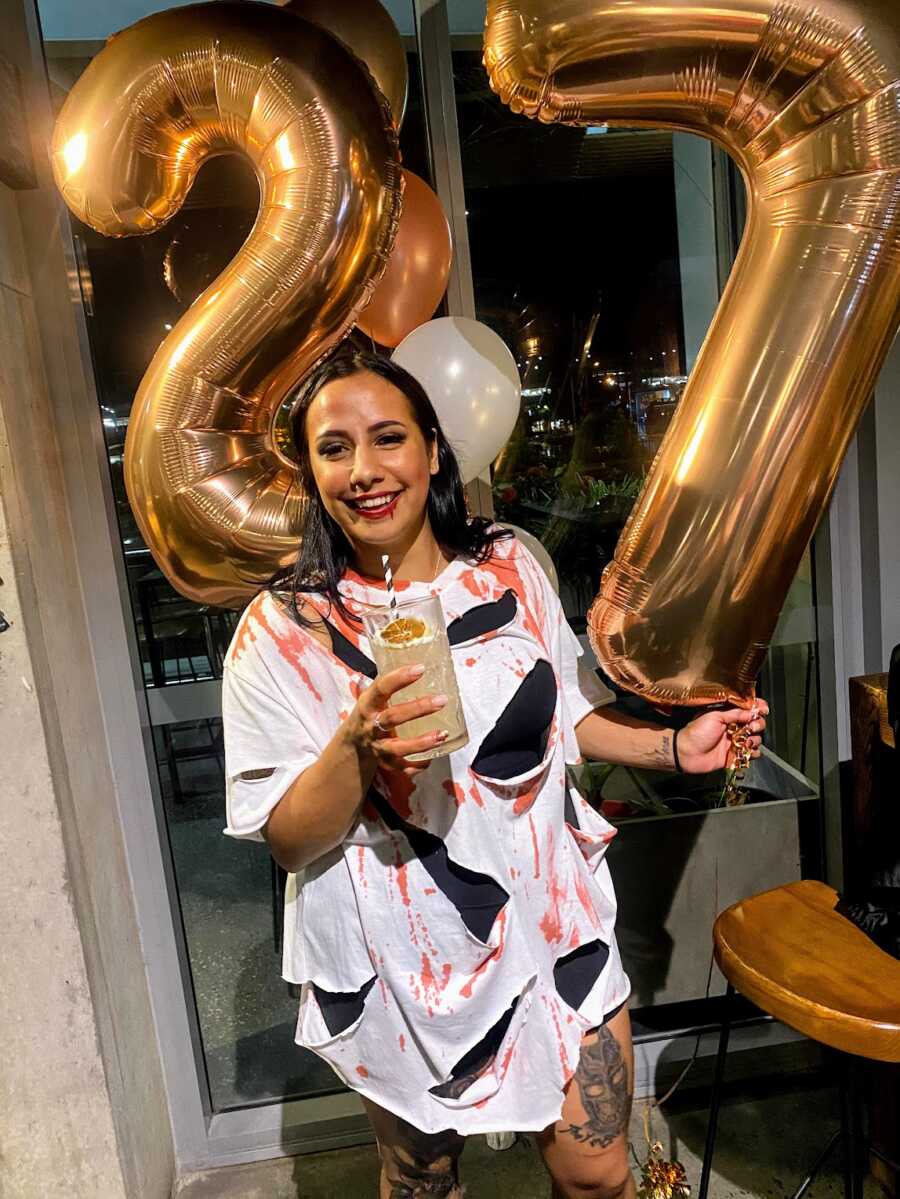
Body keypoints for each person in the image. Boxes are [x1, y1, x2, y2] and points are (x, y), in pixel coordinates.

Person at [222, 349, 767, 1199]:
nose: (364, 470)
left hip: (551, 924)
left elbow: (566, 716)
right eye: (334, 448)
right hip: (401, 959)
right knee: (423, 1184)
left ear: (432, 450)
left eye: (388, 438)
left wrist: (671, 746)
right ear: (312, 472)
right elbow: (289, 840)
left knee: (599, 1173)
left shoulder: (511, 564)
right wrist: (356, 747)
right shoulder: (284, 628)